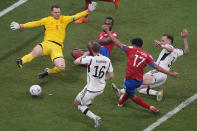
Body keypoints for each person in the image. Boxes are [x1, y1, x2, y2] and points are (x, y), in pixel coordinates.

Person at [102, 25, 179, 115]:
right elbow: (156, 67)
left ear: (134, 45)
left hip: (130, 79)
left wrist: (108, 31)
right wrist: (170, 74)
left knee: (132, 96)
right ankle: (120, 102)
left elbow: (116, 42)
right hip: (139, 80)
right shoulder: (147, 55)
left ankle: (151, 108)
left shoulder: (130, 49)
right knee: (131, 91)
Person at [10, 3, 97, 78]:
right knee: (35, 52)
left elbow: (76, 16)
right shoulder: (47, 20)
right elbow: (34, 23)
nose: (58, 14)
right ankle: (21, 61)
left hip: (57, 48)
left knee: (62, 67)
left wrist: (88, 11)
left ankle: (47, 71)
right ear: (52, 12)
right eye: (56, 12)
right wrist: (21, 26)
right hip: (46, 44)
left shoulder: (65, 19)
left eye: (59, 12)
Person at [112, 29, 189, 102]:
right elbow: (186, 51)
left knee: (136, 81)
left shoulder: (170, 48)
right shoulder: (176, 51)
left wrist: (161, 44)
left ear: (169, 41)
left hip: (159, 73)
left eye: (163, 40)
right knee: (139, 88)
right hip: (161, 75)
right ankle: (157, 93)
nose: (161, 41)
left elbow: (170, 49)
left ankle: (121, 93)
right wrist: (185, 38)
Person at [73, 42, 114, 129]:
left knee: (76, 104)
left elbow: (75, 62)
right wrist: (104, 79)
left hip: (90, 89)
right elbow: (111, 76)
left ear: (92, 50)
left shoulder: (90, 59)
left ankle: (95, 118)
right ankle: (89, 101)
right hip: (101, 88)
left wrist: (84, 55)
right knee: (87, 98)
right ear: (100, 49)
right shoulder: (107, 60)